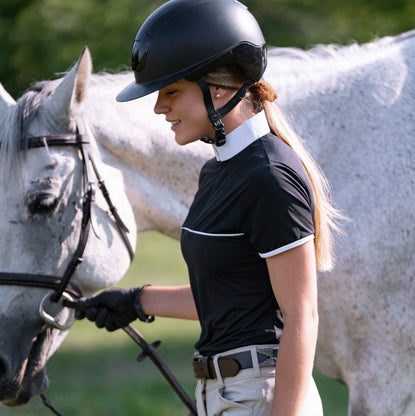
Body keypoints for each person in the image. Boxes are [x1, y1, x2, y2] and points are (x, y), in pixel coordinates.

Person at [66, 0, 342, 414]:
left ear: (219, 88)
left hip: (262, 396)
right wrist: (137, 301)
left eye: (171, 91)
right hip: (224, 394)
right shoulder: (219, 170)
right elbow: (230, 297)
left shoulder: (269, 178)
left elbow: (303, 315)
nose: (160, 108)